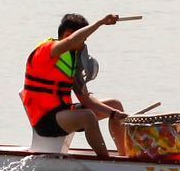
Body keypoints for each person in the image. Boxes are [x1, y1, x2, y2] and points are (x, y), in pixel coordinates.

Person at [20, 13, 128, 156]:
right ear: (68, 34)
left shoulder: (73, 60)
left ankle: (124, 157)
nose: (84, 45)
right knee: (87, 116)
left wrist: (113, 113)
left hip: (64, 114)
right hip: (45, 120)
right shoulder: (47, 50)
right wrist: (100, 22)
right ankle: (105, 161)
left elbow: (85, 99)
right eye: (83, 40)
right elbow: (72, 41)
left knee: (115, 105)